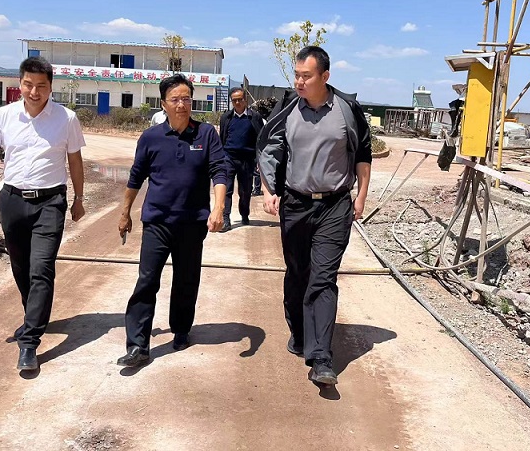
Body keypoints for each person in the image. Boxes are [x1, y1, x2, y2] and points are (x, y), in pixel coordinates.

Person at [0, 57, 86, 372]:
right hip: (12, 201)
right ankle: (34, 317)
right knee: (21, 268)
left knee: (42, 269)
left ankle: (29, 342)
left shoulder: (66, 119)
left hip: (49, 203)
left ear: (51, 87)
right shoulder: (4, 116)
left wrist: (79, 199)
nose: (34, 92)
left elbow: (75, 160)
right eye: (28, 84)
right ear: (20, 83)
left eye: (41, 86)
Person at [257, 46, 371, 386]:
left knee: (323, 278)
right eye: (297, 75)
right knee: (297, 274)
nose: (299, 82)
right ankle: (299, 331)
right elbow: (269, 148)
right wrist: (267, 188)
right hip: (295, 203)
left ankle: (321, 357)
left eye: (306, 76)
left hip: (335, 206)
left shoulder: (347, 109)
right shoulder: (288, 108)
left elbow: (363, 154)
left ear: (325, 76)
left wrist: (361, 196)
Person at [117, 74, 227, 369]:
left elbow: (219, 170)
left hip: (192, 222)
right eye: (175, 99)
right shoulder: (151, 137)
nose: (182, 105)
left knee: (186, 280)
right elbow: (136, 177)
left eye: (186, 99)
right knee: (147, 280)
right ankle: (138, 345)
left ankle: (181, 329)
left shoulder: (206, 134)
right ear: (164, 104)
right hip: (158, 221)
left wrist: (218, 208)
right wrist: (125, 212)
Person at [218, 87, 265, 231]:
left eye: (240, 99)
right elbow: (222, 137)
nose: (237, 103)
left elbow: (261, 139)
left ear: (246, 100)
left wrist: (259, 160)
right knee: (226, 189)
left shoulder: (254, 117)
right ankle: (226, 219)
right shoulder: (226, 117)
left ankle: (244, 214)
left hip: (247, 160)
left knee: (245, 191)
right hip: (229, 158)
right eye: (234, 100)